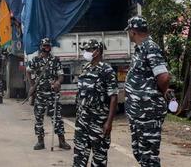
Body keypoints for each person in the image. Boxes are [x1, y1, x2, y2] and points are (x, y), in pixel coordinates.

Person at [124, 16, 171, 167]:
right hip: (138, 112)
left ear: (133, 31)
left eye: (129, 32)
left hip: (148, 112)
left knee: (149, 157)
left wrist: (158, 93)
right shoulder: (140, 49)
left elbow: (163, 77)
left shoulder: (150, 47)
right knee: (140, 153)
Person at [73, 39, 118, 167]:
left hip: (99, 122)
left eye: (88, 50)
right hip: (82, 121)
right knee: (78, 159)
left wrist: (109, 123)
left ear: (97, 52)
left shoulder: (107, 70)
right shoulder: (85, 68)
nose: (85, 53)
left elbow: (113, 97)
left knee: (99, 159)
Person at [26, 38, 71, 150]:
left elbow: (61, 75)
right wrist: (32, 85)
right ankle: (40, 141)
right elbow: (28, 71)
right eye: (45, 46)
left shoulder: (55, 60)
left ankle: (62, 141)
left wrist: (58, 82)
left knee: (57, 117)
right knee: (39, 118)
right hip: (40, 93)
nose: (47, 47)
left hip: (52, 93)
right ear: (41, 47)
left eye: (48, 46)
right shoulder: (36, 60)